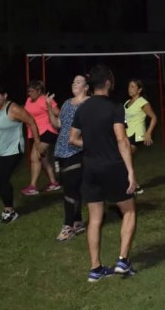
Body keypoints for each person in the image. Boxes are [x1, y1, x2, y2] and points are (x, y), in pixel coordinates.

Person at [69, 65, 137, 282]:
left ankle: (95, 268)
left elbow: (73, 138)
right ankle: (122, 261)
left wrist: (92, 145)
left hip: (90, 168)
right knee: (129, 211)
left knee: (95, 218)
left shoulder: (83, 109)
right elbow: (121, 139)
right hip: (112, 166)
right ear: (108, 82)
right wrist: (131, 171)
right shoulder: (115, 108)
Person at [0, 85, 42, 224]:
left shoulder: (14, 109)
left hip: (13, 151)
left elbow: (32, 122)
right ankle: (7, 210)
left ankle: (10, 211)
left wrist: (37, 143)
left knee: (2, 178)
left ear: (5, 95)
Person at [47, 75, 90, 241]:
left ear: (86, 87)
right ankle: (78, 221)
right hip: (61, 150)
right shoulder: (66, 103)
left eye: (78, 81)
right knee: (73, 188)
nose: (74, 83)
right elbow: (57, 124)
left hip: (77, 150)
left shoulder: (89, 103)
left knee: (70, 189)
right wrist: (49, 107)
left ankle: (68, 226)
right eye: (73, 81)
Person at [21, 80, 61, 195]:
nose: (29, 94)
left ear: (39, 91)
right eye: (28, 91)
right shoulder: (28, 100)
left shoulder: (45, 99)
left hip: (48, 132)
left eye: (32, 91)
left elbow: (58, 113)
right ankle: (53, 182)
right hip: (36, 133)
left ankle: (32, 187)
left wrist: (50, 113)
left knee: (35, 157)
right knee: (43, 159)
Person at [124, 79, 158, 194]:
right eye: (129, 86)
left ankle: (133, 185)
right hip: (127, 134)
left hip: (136, 135)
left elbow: (154, 117)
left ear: (139, 89)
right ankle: (135, 186)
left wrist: (148, 133)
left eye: (133, 87)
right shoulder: (126, 103)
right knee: (126, 160)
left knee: (125, 158)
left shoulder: (142, 102)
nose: (130, 89)